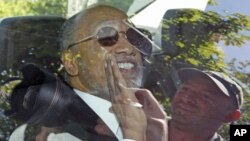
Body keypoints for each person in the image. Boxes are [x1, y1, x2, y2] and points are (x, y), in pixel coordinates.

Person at [6, 4, 157, 141]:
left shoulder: (155, 120)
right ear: (71, 62)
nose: (129, 48)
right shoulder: (53, 135)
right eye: (107, 36)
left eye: (134, 37)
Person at [97, 67, 244, 141]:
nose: (187, 98)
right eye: (185, 89)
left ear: (231, 116)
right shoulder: (131, 122)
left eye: (205, 96)